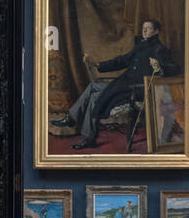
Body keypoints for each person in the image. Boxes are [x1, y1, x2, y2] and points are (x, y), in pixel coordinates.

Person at [52, 18, 179, 149]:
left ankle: (88, 136)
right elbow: (122, 60)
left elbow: (175, 68)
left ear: (156, 31)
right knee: (93, 87)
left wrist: (160, 67)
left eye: (148, 28)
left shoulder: (160, 49)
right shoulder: (141, 46)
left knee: (95, 98)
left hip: (136, 90)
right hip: (123, 85)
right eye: (143, 28)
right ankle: (71, 118)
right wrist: (99, 65)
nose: (144, 30)